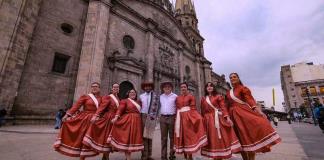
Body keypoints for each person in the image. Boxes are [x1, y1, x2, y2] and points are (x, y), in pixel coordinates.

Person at [226, 73, 281, 160]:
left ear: (238, 78)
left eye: (234, 77)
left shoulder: (243, 88)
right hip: (233, 117)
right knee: (240, 141)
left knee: (249, 138)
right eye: (231, 77)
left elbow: (250, 99)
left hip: (243, 114)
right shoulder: (228, 92)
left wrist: (258, 110)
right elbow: (227, 105)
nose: (232, 78)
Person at [54, 82, 102, 159]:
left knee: (91, 139)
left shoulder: (101, 98)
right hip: (85, 119)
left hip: (95, 120)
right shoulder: (85, 96)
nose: (94, 88)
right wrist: (67, 115)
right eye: (92, 86)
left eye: (96, 86)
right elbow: (76, 106)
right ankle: (82, 157)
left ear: (99, 88)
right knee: (82, 138)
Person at [200, 82, 241, 160]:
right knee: (211, 139)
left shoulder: (218, 96)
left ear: (213, 88)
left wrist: (227, 118)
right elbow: (202, 111)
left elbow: (223, 107)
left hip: (217, 119)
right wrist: (202, 121)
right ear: (205, 88)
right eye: (207, 86)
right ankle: (214, 155)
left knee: (219, 139)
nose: (209, 87)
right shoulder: (203, 98)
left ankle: (220, 155)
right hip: (207, 121)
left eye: (211, 86)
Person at [83, 83, 120, 160]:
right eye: (114, 87)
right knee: (107, 138)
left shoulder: (118, 98)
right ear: (111, 89)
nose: (116, 88)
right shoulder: (108, 97)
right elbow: (102, 107)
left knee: (110, 139)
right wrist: (96, 115)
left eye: (117, 87)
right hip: (108, 119)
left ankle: (105, 157)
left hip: (115, 120)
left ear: (119, 89)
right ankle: (106, 157)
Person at [174, 82, 207, 160]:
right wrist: (176, 117)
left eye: (184, 87)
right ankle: (185, 154)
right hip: (180, 118)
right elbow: (177, 108)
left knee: (189, 136)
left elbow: (193, 108)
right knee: (181, 136)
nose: (183, 88)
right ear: (180, 88)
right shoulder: (177, 98)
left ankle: (190, 156)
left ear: (187, 88)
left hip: (188, 118)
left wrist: (196, 117)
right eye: (181, 87)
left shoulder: (191, 96)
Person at [108, 89, 144, 160]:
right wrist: (116, 117)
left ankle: (128, 157)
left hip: (137, 122)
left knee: (132, 140)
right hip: (128, 121)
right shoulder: (124, 101)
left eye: (134, 92)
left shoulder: (138, 102)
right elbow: (120, 109)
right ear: (128, 94)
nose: (132, 93)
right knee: (127, 140)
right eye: (130, 92)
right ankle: (128, 158)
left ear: (136, 94)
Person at [139, 82, 159, 160]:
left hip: (151, 116)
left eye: (149, 86)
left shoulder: (155, 96)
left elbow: (157, 107)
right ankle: (144, 155)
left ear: (151, 87)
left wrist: (157, 117)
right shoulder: (141, 96)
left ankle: (149, 155)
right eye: (146, 86)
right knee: (144, 136)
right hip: (143, 116)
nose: (147, 88)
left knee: (149, 136)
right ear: (144, 88)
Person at [159, 82, 177, 160]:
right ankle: (163, 156)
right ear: (163, 88)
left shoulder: (175, 96)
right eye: (165, 87)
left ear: (171, 88)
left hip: (172, 117)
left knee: (172, 137)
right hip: (162, 118)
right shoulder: (160, 97)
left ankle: (172, 155)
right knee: (163, 138)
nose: (167, 88)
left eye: (168, 87)